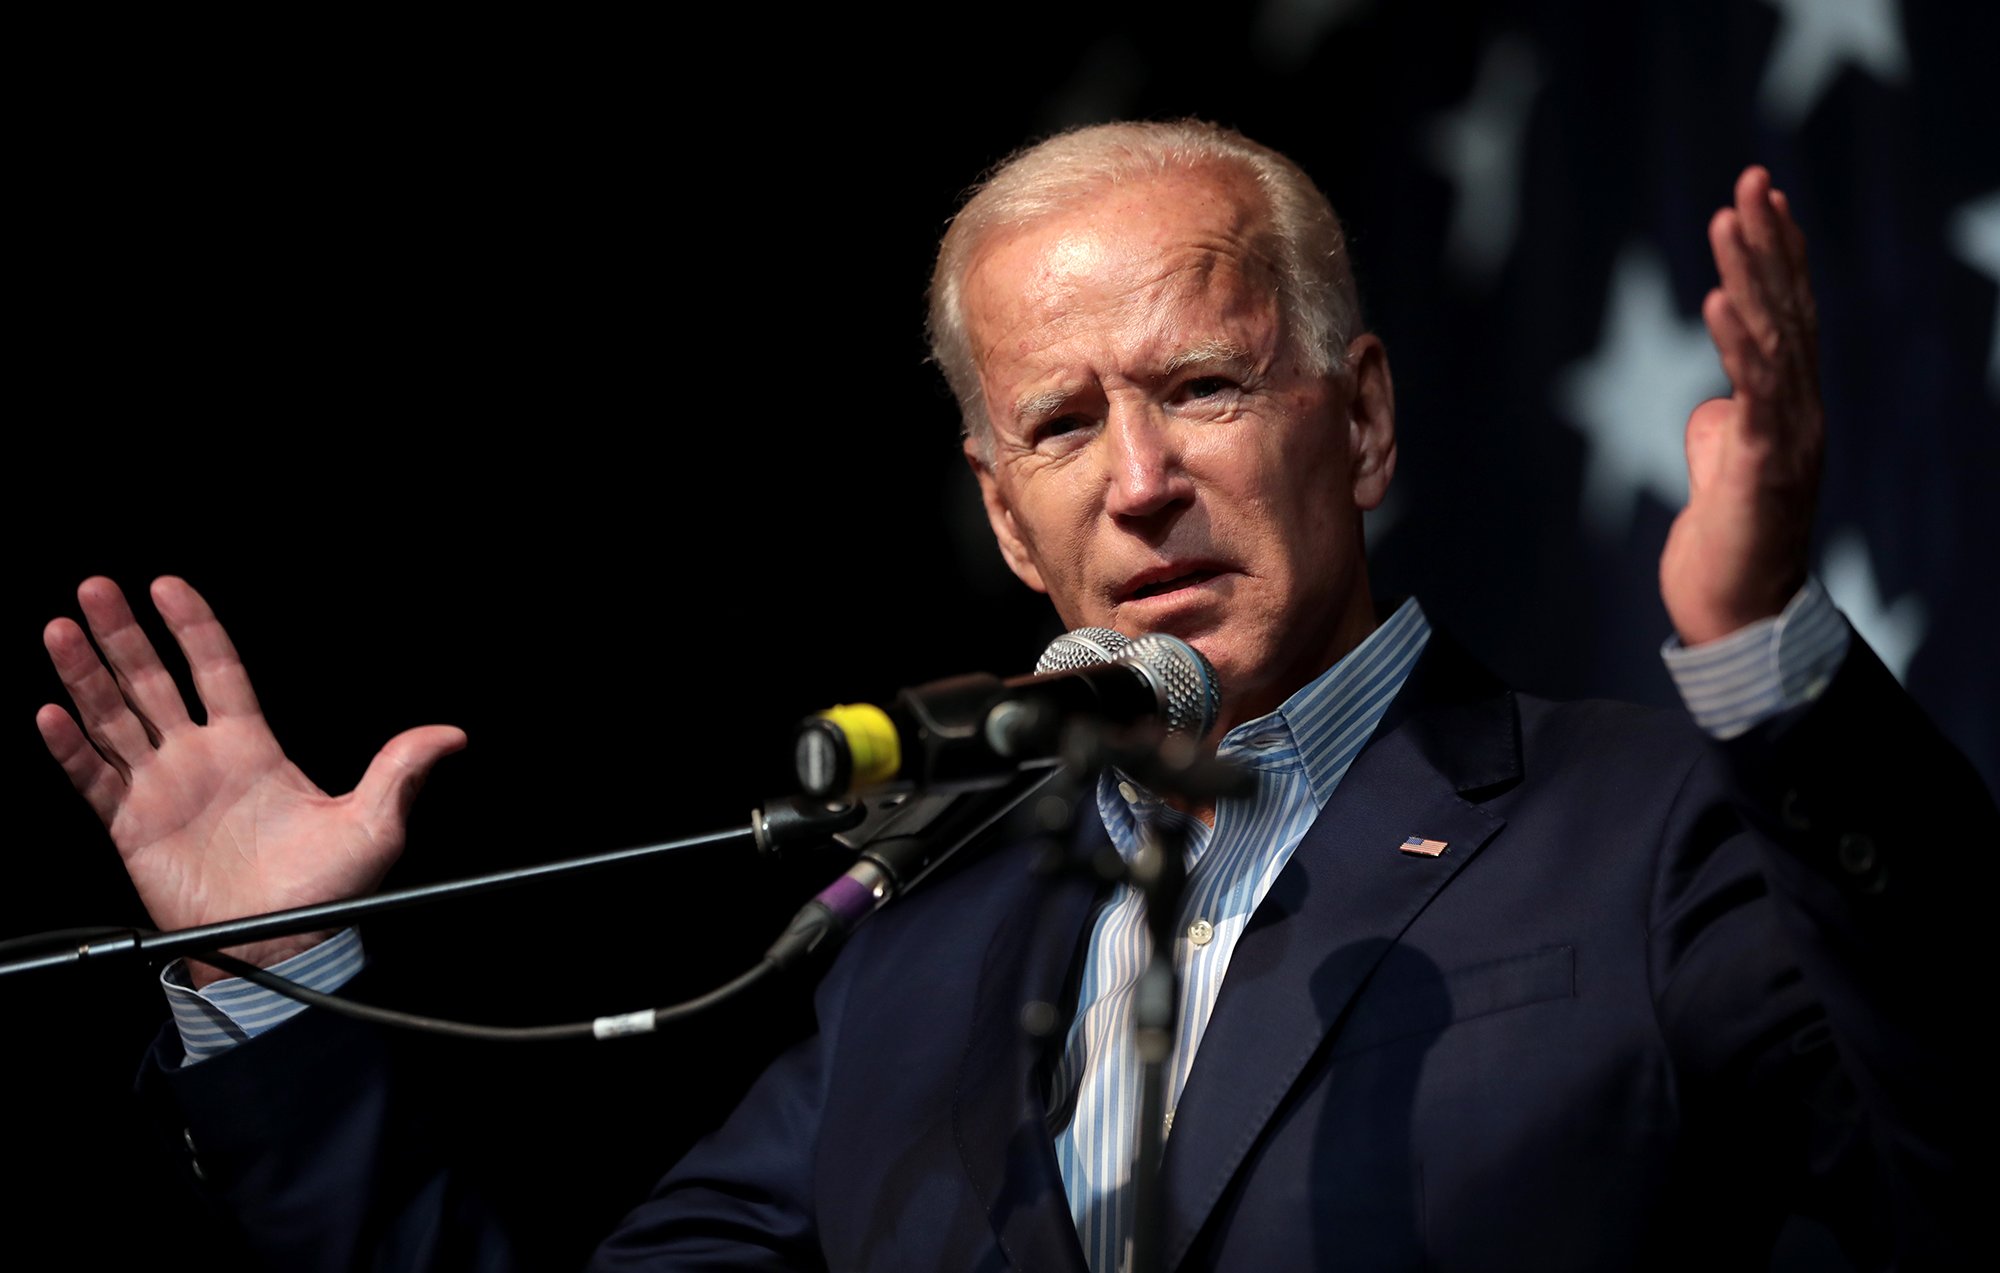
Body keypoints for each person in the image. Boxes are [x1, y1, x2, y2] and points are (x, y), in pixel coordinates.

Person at [36, 121, 1989, 1269]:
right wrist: (271, 977)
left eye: (1201, 385)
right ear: (1006, 518)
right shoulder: (921, 961)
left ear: (1366, 419)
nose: (1137, 474)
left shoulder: (1648, 826)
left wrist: (1766, 660)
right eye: (1062, 422)